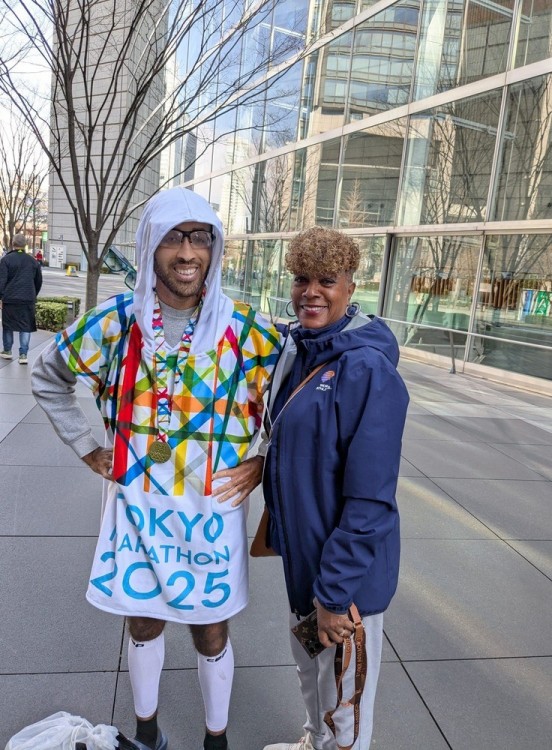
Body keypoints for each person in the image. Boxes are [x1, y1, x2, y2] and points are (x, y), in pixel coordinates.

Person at [31, 187, 280, 750]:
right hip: (138, 507)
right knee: (142, 620)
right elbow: (49, 375)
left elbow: (293, 400)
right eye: (173, 237)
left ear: (215, 248)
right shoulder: (117, 322)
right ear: (150, 246)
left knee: (211, 628)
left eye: (200, 238)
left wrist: (263, 459)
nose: (187, 252)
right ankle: (148, 735)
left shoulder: (246, 330)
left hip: (211, 511)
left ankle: (216, 741)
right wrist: (86, 446)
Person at [260, 227, 409, 750]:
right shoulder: (299, 351)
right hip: (305, 561)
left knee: (346, 705)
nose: (311, 292)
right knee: (313, 675)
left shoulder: (366, 369)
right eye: (301, 279)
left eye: (327, 280)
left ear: (350, 286)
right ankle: (311, 740)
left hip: (344, 579)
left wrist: (334, 592)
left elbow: (370, 499)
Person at [0, 233, 42, 364]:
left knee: (8, 325)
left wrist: (1, 297)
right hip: (27, 299)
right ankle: (23, 354)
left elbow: (1, 280)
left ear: (13, 244)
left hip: (10, 299)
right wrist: (33, 294)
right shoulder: (33, 261)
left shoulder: (6, 260)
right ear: (25, 245)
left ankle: (7, 351)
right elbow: (38, 281)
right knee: (25, 326)